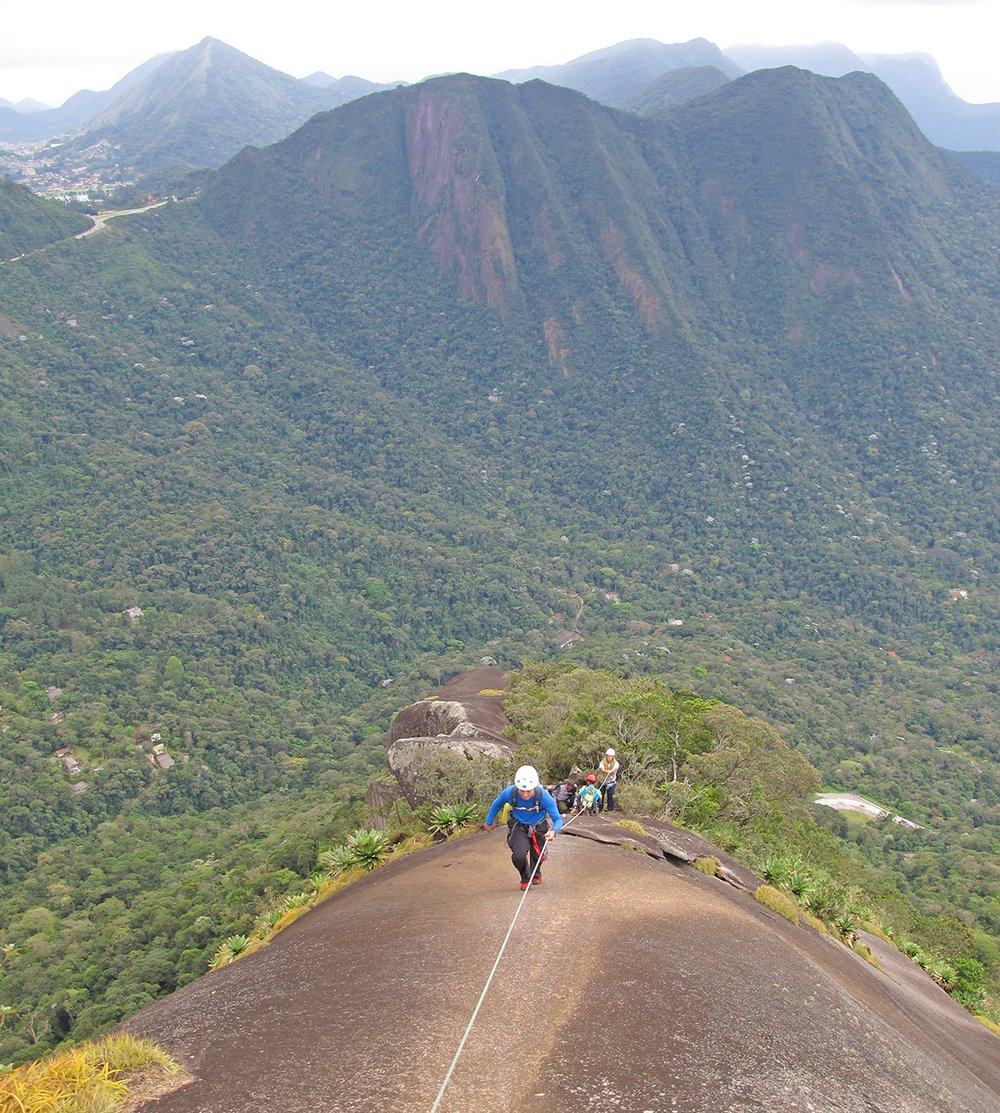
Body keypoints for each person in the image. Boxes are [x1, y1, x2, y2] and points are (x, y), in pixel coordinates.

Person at [484, 766, 562, 890]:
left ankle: (536, 873)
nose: (525, 795)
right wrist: (488, 822)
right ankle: (526, 877)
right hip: (518, 824)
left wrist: (553, 830)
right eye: (522, 791)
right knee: (518, 856)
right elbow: (497, 804)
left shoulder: (543, 796)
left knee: (538, 855)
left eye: (529, 791)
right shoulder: (510, 792)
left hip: (538, 825)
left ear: (535, 787)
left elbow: (558, 819)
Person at [598, 747, 620, 812]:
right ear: (606, 756)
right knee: (600, 795)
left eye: (611, 756)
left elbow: (614, 769)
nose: (609, 757)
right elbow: (602, 769)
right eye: (608, 756)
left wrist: (611, 771)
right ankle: (599, 808)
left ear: (613, 756)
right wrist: (607, 771)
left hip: (611, 782)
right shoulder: (602, 762)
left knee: (610, 796)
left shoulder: (616, 763)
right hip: (602, 781)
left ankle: (610, 809)